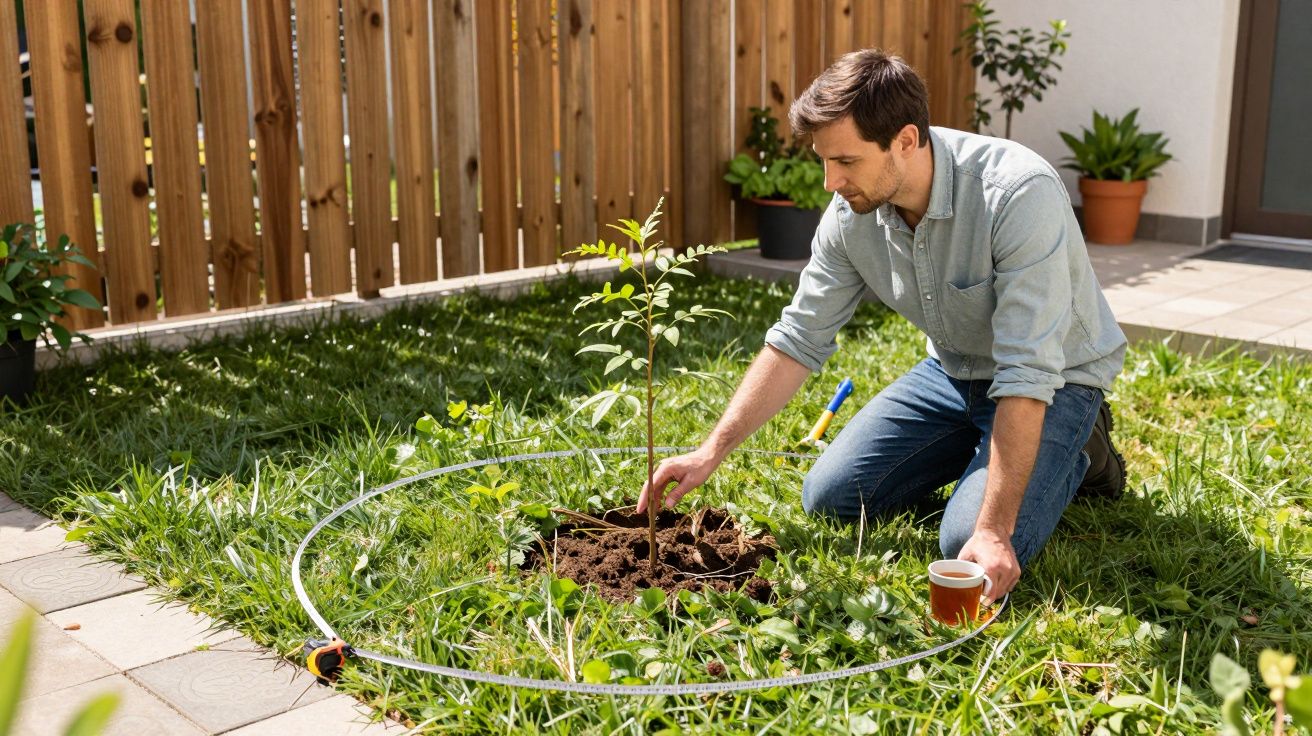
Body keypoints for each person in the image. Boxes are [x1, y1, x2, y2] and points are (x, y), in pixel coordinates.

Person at [636, 49, 1128, 604]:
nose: (829, 181)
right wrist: (711, 450)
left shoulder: (1017, 194)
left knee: (963, 541)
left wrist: (993, 530)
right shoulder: (852, 216)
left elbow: (1027, 368)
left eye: (845, 161)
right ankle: (986, 448)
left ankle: (1085, 449)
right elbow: (799, 336)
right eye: (824, 160)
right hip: (953, 372)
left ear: (907, 140)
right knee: (830, 497)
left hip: (1053, 382)